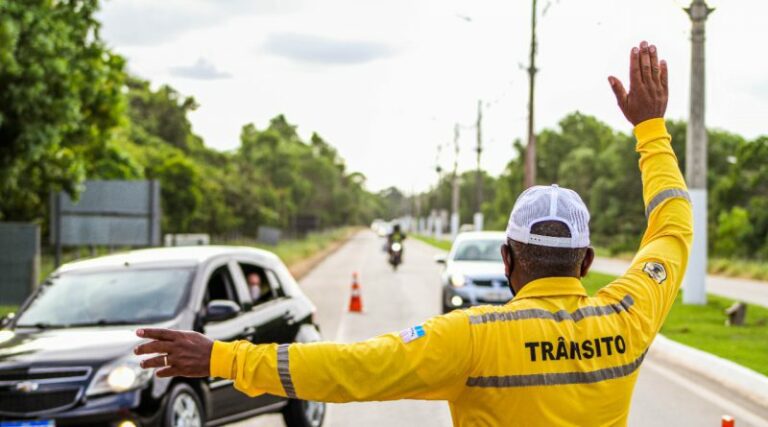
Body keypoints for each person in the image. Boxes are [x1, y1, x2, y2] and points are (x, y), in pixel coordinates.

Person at [134, 41, 692, 426]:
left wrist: (223, 360)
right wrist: (651, 129)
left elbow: (346, 369)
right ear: (586, 260)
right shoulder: (628, 315)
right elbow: (672, 227)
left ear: (507, 259)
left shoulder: (472, 337)